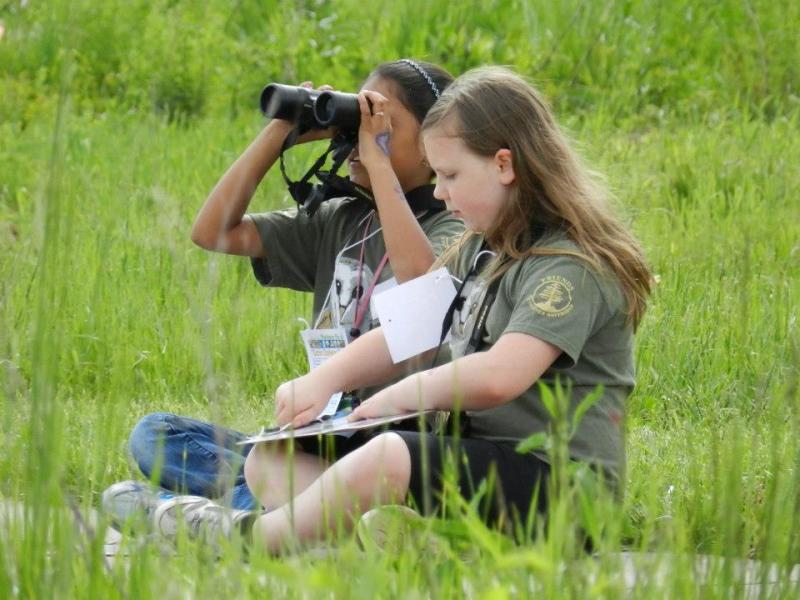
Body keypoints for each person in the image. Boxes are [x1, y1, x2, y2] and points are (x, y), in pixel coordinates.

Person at [242, 66, 652, 554]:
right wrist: (321, 382)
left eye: (451, 175)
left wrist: (402, 397)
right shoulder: (479, 245)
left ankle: (242, 539)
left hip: (560, 492)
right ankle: (407, 545)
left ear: (504, 165)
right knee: (270, 458)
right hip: (474, 467)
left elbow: (501, 374)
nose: (438, 192)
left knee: (390, 455)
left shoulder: (570, 264)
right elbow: (406, 330)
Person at [101, 59, 463, 531]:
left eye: (382, 122)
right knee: (155, 434)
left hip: (396, 441)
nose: (361, 134)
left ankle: (236, 512)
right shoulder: (342, 219)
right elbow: (213, 231)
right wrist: (279, 134)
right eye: (359, 117)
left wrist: (378, 164)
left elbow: (421, 290)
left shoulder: (454, 226)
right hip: (324, 433)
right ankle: (287, 509)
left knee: (261, 467)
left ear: (434, 140)